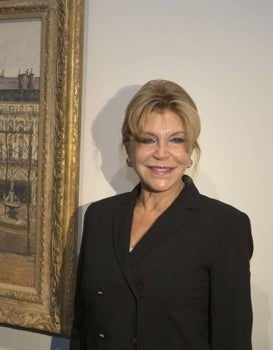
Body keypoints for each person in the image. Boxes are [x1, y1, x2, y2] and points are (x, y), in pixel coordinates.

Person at [71, 79, 253, 350]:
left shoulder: (224, 226)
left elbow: (232, 341)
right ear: (129, 149)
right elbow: (83, 327)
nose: (162, 153)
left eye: (176, 140)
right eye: (148, 140)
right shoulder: (99, 217)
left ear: (190, 151)